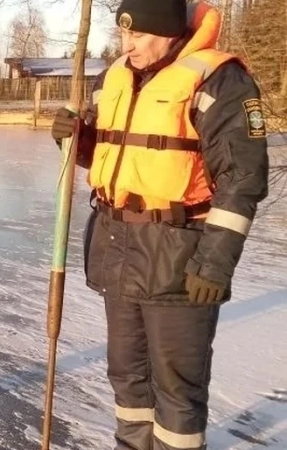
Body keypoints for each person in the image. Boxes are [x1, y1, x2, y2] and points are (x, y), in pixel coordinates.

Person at [50, 1, 269, 449]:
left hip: (180, 258)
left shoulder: (219, 80)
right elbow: (117, 156)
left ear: (170, 32)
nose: (127, 45)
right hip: (118, 248)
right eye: (123, 34)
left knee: (177, 392)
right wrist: (77, 139)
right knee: (128, 381)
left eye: (139, 35)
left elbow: (243, 178)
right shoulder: (115, 76)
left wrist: (214, 263)